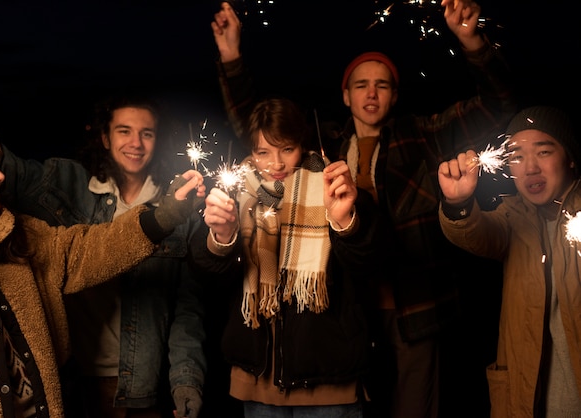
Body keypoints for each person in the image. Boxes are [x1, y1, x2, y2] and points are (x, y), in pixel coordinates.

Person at [211, 1, 517, 416]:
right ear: (345, 94)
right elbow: (260, 132)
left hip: (413, 307)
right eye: (360, 85)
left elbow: (497, 105)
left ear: (394, 95)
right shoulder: (325, 147)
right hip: (344, 309)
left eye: (382, 84)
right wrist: (231, 57)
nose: (371, 93)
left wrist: (471, 40)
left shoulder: (421, 135)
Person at [0, 20, 206, 418]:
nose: (135, 143)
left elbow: (183, 306)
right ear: (104, 137)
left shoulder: (26, 240)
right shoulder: (63, 183)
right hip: (77, 382)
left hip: (138, 385)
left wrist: (186, 378)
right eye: (124, 130)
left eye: (147, 133)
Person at [189, 96, 389, 417]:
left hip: (329, 379)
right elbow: (207, 281)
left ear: (302, 143)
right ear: (250, 152)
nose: (276, 164)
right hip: (258, 380)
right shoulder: (231, 194)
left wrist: (343, 221)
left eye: (286, 148)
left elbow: (369, 264)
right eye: (263, 152)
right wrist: (222, 238)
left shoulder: (336, 186)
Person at [438, 106, 581, 417]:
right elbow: (476, 234)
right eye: (516, 156)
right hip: (528, 402)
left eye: (543, 152)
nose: (529, 168)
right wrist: (458, 202)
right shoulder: (513, 216)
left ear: (570, 157)